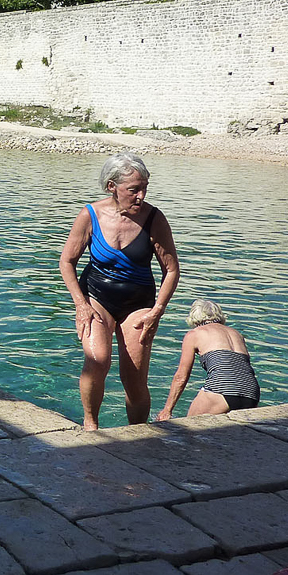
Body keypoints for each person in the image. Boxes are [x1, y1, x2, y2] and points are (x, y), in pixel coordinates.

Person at [60, 153, 181, 429]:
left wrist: (157, 312)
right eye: (133, 190)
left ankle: (138, 433)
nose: (140, 196)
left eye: (144, 189)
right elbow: (66, 261)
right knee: (97, 360)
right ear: (112, 187)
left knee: (134, 376)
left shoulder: (154, 219)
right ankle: (91, 426)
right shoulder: (90, 215)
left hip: (138, 302)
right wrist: (80, 304)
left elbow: (171, 270)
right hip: (96, 297)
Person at [157, 300, 260, 419]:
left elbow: (181, 376)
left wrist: (167, 410)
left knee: (189, 428)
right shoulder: (236, 334)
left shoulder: (194, 334)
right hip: (251, 390)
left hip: (222, 388)